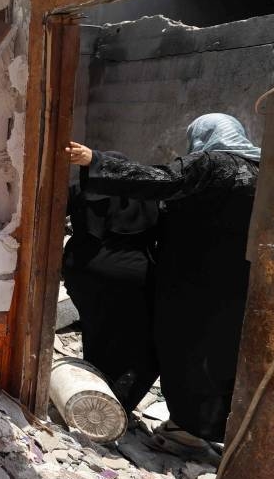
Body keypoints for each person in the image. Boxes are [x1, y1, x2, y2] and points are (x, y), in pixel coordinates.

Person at [66, 113, 261, 449]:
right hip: (239, 286)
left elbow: (163, 179)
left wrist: (96, 162)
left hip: (191, 282)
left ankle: (185, 429)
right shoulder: (261, 171)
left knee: (181, 350)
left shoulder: (214, 164)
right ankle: (213, 430)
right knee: (221, 355)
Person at [62, 155, 159, 411]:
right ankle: (118, 402)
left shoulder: (83, 189)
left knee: (96, 331)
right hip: (132, 276)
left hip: (83, 272)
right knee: (136, 340)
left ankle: (94, 393)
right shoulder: (148, 196)